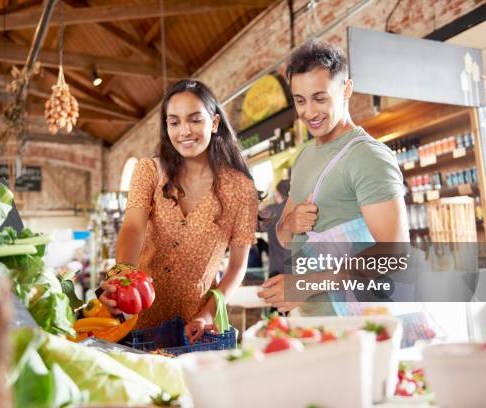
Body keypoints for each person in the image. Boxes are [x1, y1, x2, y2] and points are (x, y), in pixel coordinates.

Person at [100, 79, 259, 342]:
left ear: (215, 123)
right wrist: (122, 278)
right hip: (137, 316)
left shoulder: (241, 188)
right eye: (174, 122)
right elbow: (132, 228)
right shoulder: (149, 171)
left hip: (196, 325)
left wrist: (207, 314)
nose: (184, 130)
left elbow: (237, 266)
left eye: (195, 119)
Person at [258, 40, 409, 314]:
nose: (309, 113)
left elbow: (394, 254)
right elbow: (284, 238)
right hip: (313, 322)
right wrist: (290, 222)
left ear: (346, 90)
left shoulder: (367, 156)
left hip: (363, 322)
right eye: (300, 101)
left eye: (320, 98)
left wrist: (304, 286)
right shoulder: (304, 157)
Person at [261, 179, 291, 278]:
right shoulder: (301, 209)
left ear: (278, 194)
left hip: (278, 270)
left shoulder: (272, 211)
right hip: (301, 271)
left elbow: (252, 226)